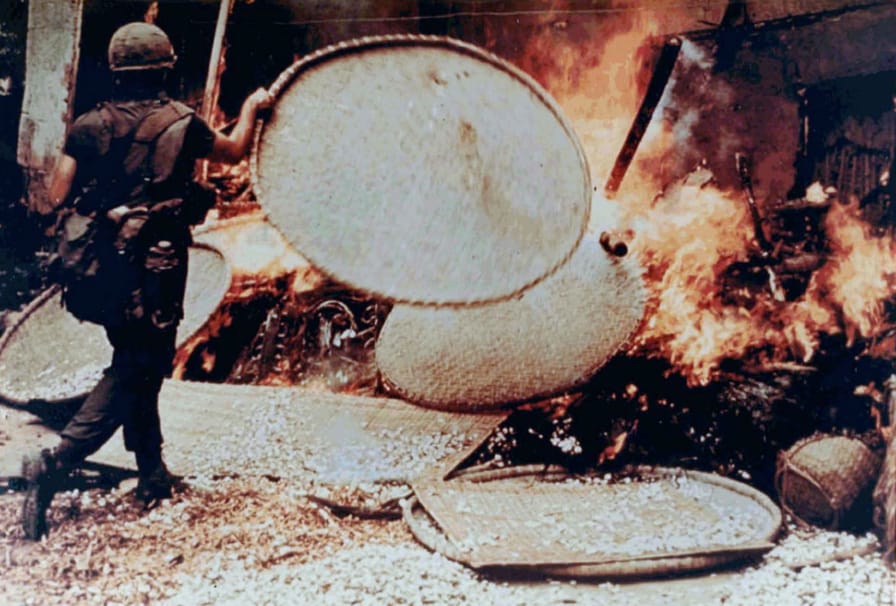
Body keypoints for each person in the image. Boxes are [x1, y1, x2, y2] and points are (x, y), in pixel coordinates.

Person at [21, 21, 272, 540]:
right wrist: (252, 107)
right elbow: (234, 150)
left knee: (136, 358)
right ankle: (55, 461)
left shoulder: (88, 125)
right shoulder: (184, 123)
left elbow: (56, 195)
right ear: (164, 70)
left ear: (116, 72)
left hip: (104, 266)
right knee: (139, 365)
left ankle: (152, 472)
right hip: (158, 265)